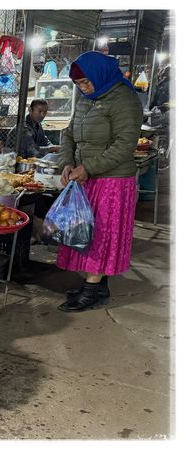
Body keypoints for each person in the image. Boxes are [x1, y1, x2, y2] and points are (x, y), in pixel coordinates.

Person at [56, 51, 143, 313]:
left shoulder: (124, 99)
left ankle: (92, 290)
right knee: (83, 230)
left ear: (99, 75)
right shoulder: (86, 100)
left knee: (101, 234)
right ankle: (98, 285)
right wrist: (66, 162)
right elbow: (69, 134)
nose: (83, 88)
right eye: (78, 84)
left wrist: (89, 167)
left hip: (112, 180)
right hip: (85, 177)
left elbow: (125, 145)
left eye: (86, 82)